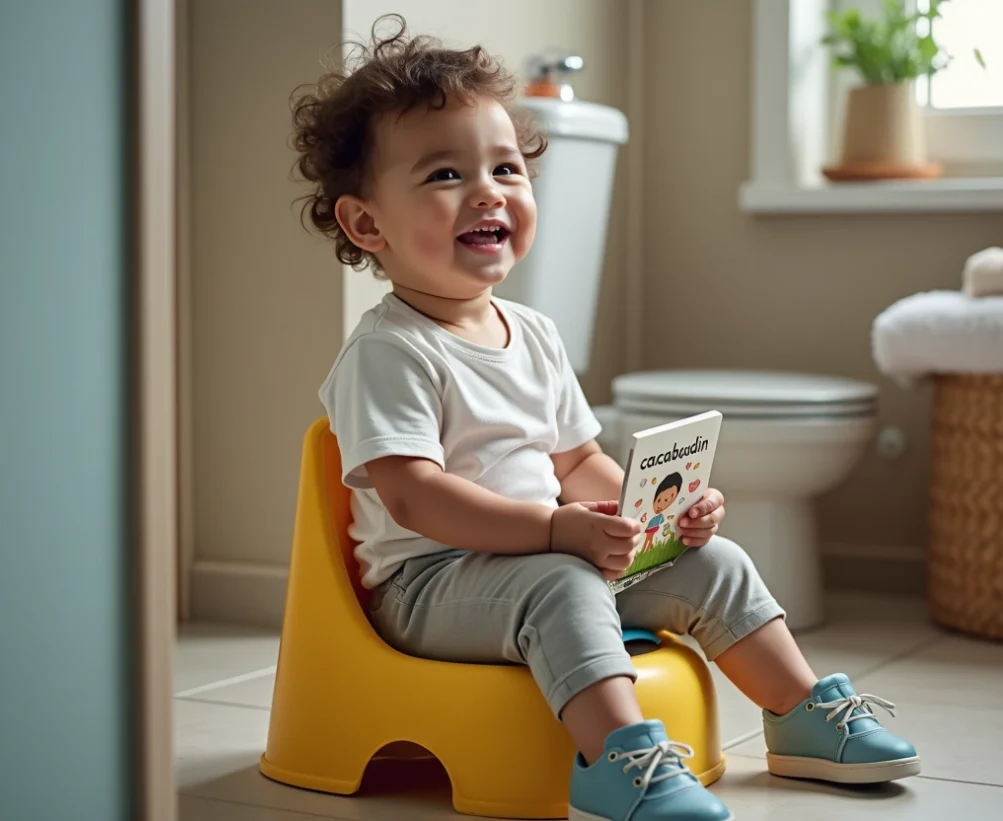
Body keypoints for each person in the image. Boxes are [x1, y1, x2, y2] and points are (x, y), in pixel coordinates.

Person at [296, 16, 919, 821]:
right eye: (446, 173)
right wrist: (556, 532)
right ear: (367, 224)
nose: (488, 190)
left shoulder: (537, 336)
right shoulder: (390, 352)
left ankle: (802, 715)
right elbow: (416, 498)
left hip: (541, 560)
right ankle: (618, 759)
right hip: (431, 583)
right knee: (559, 581)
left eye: (506, 168)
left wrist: (654, 514)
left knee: (716, 562)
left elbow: (579, 462)